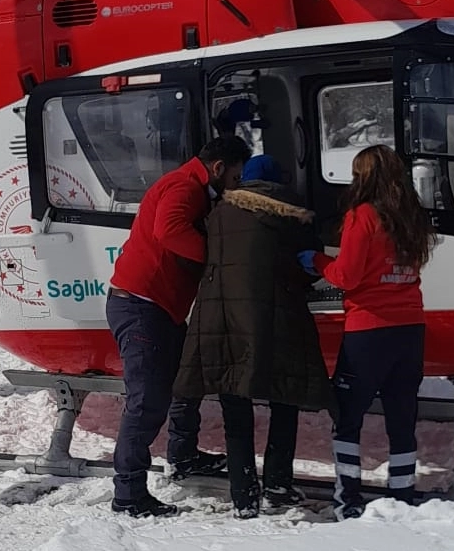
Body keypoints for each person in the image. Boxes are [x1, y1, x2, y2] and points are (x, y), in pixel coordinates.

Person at [174, 154, 332, 518]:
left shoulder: (218, 214)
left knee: (235, 404)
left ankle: (243, 496)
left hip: (224, 319)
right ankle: (277, 485)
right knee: (285, 398)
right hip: (277, 318)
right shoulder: (292, 213)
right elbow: (307, 266)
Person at [106, 134, 250, 518]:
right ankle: (128, 494)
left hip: (160, 309)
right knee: (147, 403)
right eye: (235, 177)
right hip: (141, 306)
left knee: (186, 382)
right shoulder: (184, 186)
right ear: (218, 168)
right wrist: (216, 258)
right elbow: (169, 231)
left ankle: (184, 455)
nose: (236, 185)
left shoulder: (194, 187)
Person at [300, 144, 434, 519]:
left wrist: (316, 260)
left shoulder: (362, 216)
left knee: (347, 418)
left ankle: (348, 500)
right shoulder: (412, 218)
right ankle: (402, 495)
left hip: (369, 330)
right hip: (410, 329)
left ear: (364, 178)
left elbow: (346, 276)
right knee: (402, 418)